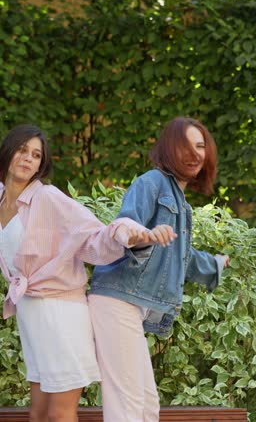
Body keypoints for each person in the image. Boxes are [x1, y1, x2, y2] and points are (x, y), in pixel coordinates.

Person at [0, 124, 176, 422]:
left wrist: (137, 235)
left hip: (61, 314)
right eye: (21, 149)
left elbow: (94, 236)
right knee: (39, 413)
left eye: (36, 154)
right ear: (8, 152)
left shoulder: (48, 199)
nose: (27, 158)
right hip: (31, 314)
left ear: (41, 165)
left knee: (59, 414)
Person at [89, 116, 230, 422]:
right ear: (169, 148)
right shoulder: (151, 182)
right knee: (126, 406)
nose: (195, 154)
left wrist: (215, 264)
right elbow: (125, 224)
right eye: (185, 146)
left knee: (146, 407)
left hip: (131, 305)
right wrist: (141, 235)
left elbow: (180, 255)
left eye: (200, 146)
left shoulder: (180, 202)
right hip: (116, 299)